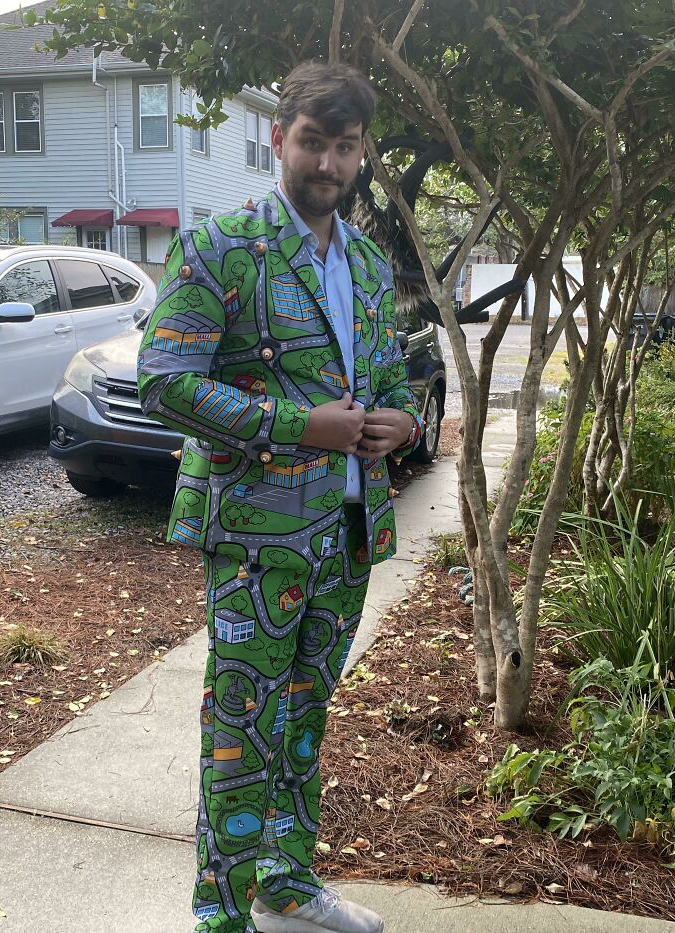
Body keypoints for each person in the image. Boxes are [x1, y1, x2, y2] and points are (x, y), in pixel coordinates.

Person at [137, 61, 422, 933]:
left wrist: (401, 427)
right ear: (279, 137)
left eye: (346, 146)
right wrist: (300, 425)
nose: (329, 163)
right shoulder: (223, 245)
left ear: (361, 151)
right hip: (259, 537)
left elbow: (390, 385)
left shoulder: (370, 265)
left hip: (347, 533)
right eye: (313, 141)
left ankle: (287, 885)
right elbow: (163, 380)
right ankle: (219, 917)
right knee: (241, 730)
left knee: (304, 718)